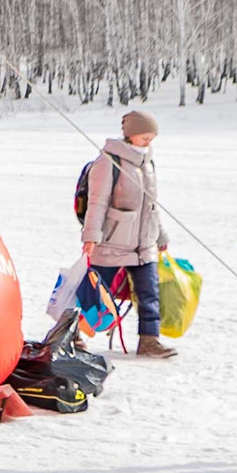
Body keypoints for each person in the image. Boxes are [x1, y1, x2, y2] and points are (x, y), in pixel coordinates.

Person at [79, 110, 175, 359]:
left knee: (149, 294)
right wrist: (91, 236)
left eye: (152, 137)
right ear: (130, 135)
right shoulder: (108, 161)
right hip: (112, 241)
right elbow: (97, 203)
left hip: (144, 244)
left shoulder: (147, 162)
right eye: (145, 136)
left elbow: (151, 205)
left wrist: (160, 236)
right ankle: (73, 335)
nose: (149, 142)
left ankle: (149, 341)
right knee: (96, 292)